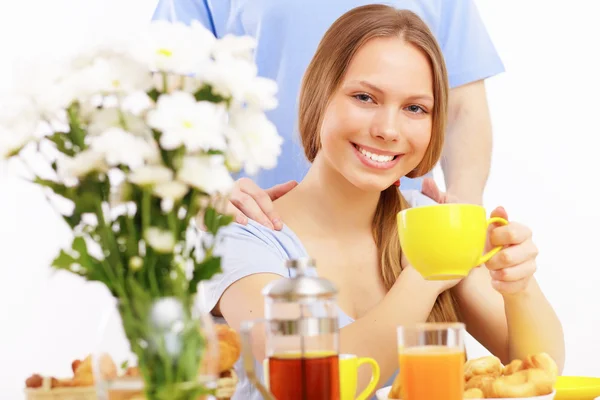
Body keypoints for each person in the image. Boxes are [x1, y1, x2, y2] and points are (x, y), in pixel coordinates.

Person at [202, 5, 565, 400]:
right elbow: (312, 385)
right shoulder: (243, 235)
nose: (388, 130)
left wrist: (519, 287)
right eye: (364, 97)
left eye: (415, 108)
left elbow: (539, 367)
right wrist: (424, 275)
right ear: (318, 97)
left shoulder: (427, 221)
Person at [152, 0, 502, 230]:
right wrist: (204, 195)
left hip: (394, 237)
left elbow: (460, 108)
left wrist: (464, 215)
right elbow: (170, 93)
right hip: (260, 224)